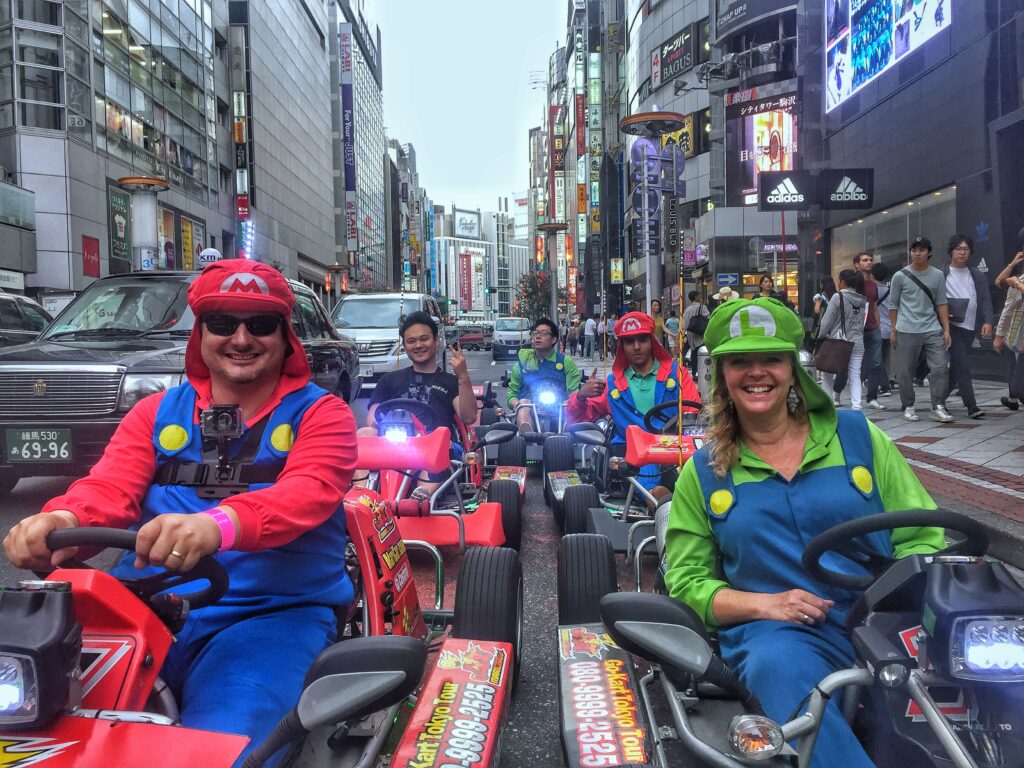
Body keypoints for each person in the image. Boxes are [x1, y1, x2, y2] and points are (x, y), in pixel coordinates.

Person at [3, 260, 358, 766]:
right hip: (138, 608)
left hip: (271, 614)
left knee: (228, 752)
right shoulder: (153, 413)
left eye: (259, 325)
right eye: (222, 323)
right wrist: (57, 522)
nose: (240, 339)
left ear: (285, 337)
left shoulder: (323, 414)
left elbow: (308, 492)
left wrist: (216, 526)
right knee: (28, 727)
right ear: (200, 334)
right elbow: (108, 487)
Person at [663, 296, 945, 768]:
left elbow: (923, 536)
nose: (757, 373)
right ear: (722, 374)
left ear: (793, 369)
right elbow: (688, 583)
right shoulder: (704, 472)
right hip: (780, 636)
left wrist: (896, 596)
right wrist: (767, 603)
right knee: (779, 668)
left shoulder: (859, 437)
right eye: (740, 362)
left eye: (771, 359)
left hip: (885, 620)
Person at [567, 311, 700, 494]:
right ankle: (659, 500)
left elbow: (694, 415)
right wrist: (581, 396)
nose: (636, 347)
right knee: (648, 467)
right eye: (629, 342)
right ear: (621, 346)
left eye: (642, 340)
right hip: (632, 456)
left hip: (675, 451)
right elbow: (577, 417)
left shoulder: (678, 375)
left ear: (651, 342)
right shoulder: (611, 384)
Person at [363, 311, 477, 493]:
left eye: (424, 339)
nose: (418, 345)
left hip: (434, 445)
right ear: (405, 345)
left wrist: (462, 376)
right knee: (364, 433)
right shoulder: (390, 380)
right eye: (411, 341)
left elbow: (469, 416)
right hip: (395, 443)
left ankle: (422, 497)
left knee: (442, 444)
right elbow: (372, 419)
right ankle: (364, 496)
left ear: (436, 340)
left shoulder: (449, 382)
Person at [889, 236, 954, 423]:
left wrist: (946, 330)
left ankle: (938, 406)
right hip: (906, 329)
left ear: (929, 252)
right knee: (905, 371)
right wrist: (893, 330)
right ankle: (908, 405)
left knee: (940, 366)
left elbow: (942, 303)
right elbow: (893, 305)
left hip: (932, 328)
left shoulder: (938, 275)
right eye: (914, 250)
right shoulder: (900, 276)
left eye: (922, 250)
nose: (917, 254)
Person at [941, 234, 993, 419]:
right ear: (951, 251)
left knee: (956, 368)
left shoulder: (976, 274)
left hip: (971, 327)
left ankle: (938, 401)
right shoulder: (942, 274)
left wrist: (988, 321)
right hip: (951, 326)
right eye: (958, 248)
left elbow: (985, 299)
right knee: (962, 364)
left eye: (966, 249)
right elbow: (935, 300)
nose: (962, 252)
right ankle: (971, 406)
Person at [507, 317, 581, 431]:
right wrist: (518, 405)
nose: (537, 336)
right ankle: (526, 435)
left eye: (543, 333)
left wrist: (570, 402)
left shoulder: (566, 363)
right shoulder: (522, 364)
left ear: (553, 339)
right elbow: (512, 395)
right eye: (535, 333)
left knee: (570, 404)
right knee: (523, 403)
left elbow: (573, 393)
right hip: (530, 409)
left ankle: (567, 434)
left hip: (559, 408)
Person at [818, 270, 867, 410]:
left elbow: (827, 321)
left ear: (843, 282)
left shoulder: (837, 297)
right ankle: (857, 406)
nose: (838, 283)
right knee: (855, 374)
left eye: (839, 280)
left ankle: (827, 404)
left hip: (838, 342)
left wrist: (821, 335)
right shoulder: (861, 299)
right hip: (857, 341)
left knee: (827, 373)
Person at [854, 252, 886, 409]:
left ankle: (872, 397)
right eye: (865, 260)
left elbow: (874, 306)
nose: (869, 262)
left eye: (870, 260)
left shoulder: (873, 285)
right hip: (856, 329)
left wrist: (879, 326)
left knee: (876, 362)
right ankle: (838, 391)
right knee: (853, 363)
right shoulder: (853, 283)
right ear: (857, 264)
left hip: (873, 328)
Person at [871, 262, 894, 397]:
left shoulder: (872, 290)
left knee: (876, 359)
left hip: (877, 328)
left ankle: (884, 385)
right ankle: (884, 382)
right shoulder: (891, 290)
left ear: (872, 274)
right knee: (883, 358)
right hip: (889, 329)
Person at [682, 291, 710, 379]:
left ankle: (694, 373)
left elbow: (684, 324)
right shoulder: (703, 307)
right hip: (701, 334)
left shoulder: (687, 310)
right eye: (699, 295)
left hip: (691, 335)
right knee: (703, 353)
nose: (700, 297)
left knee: (694, 354)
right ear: (695, 297)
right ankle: (702, 373)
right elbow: (708, 319)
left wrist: (682, 336)